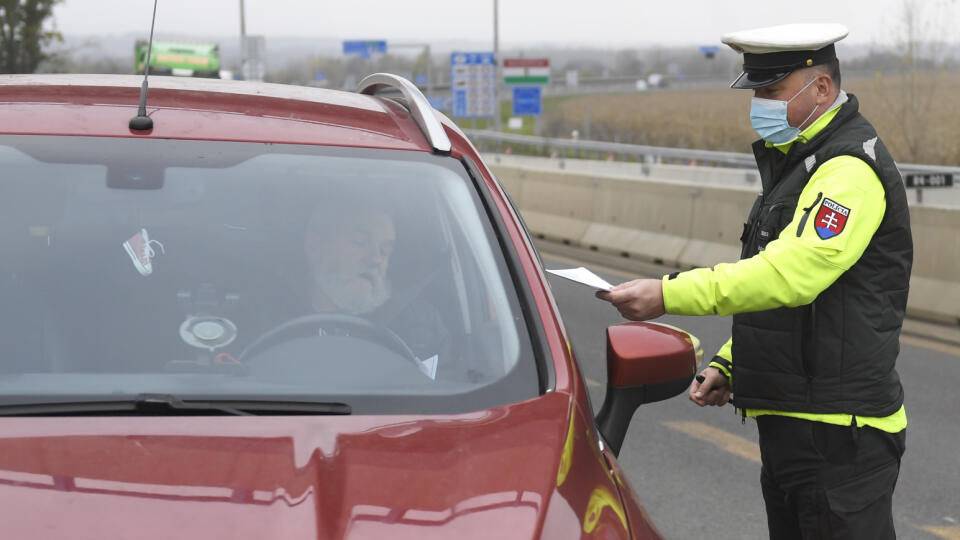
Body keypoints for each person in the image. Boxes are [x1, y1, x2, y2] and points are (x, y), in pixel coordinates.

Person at [596, 23, 911, 539]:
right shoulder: (800, 164)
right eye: (756, 91)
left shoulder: (848, 172)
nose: (759, 103)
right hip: (798, 428)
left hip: (838, 438)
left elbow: (794, 274)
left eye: (771, 91)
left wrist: (669, 293)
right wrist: (734, 362)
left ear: (822, 90)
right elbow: (788, 301)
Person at [300, 195, 450, 377]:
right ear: (314, 245)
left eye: (385, 250)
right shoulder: (265, 317)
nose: (376, 259)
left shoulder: (421, 326)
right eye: (360, 242)